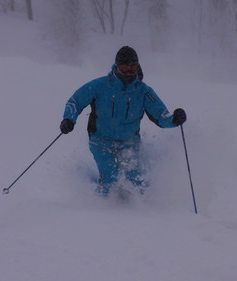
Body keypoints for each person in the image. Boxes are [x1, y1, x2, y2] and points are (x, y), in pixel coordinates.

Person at [60, 46, 186, 196]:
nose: (128, 72)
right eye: (124, 67)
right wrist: (68, 119)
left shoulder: (144, 91)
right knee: (110, 177)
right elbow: (75, 101)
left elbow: (161, 115)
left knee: (136, 181)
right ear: (116, 66)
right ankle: (100, 207)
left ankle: (140, 209)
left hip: (129, 143)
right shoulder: (100, 86)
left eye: (132, 68)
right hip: (100, 141)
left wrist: (174, 120)